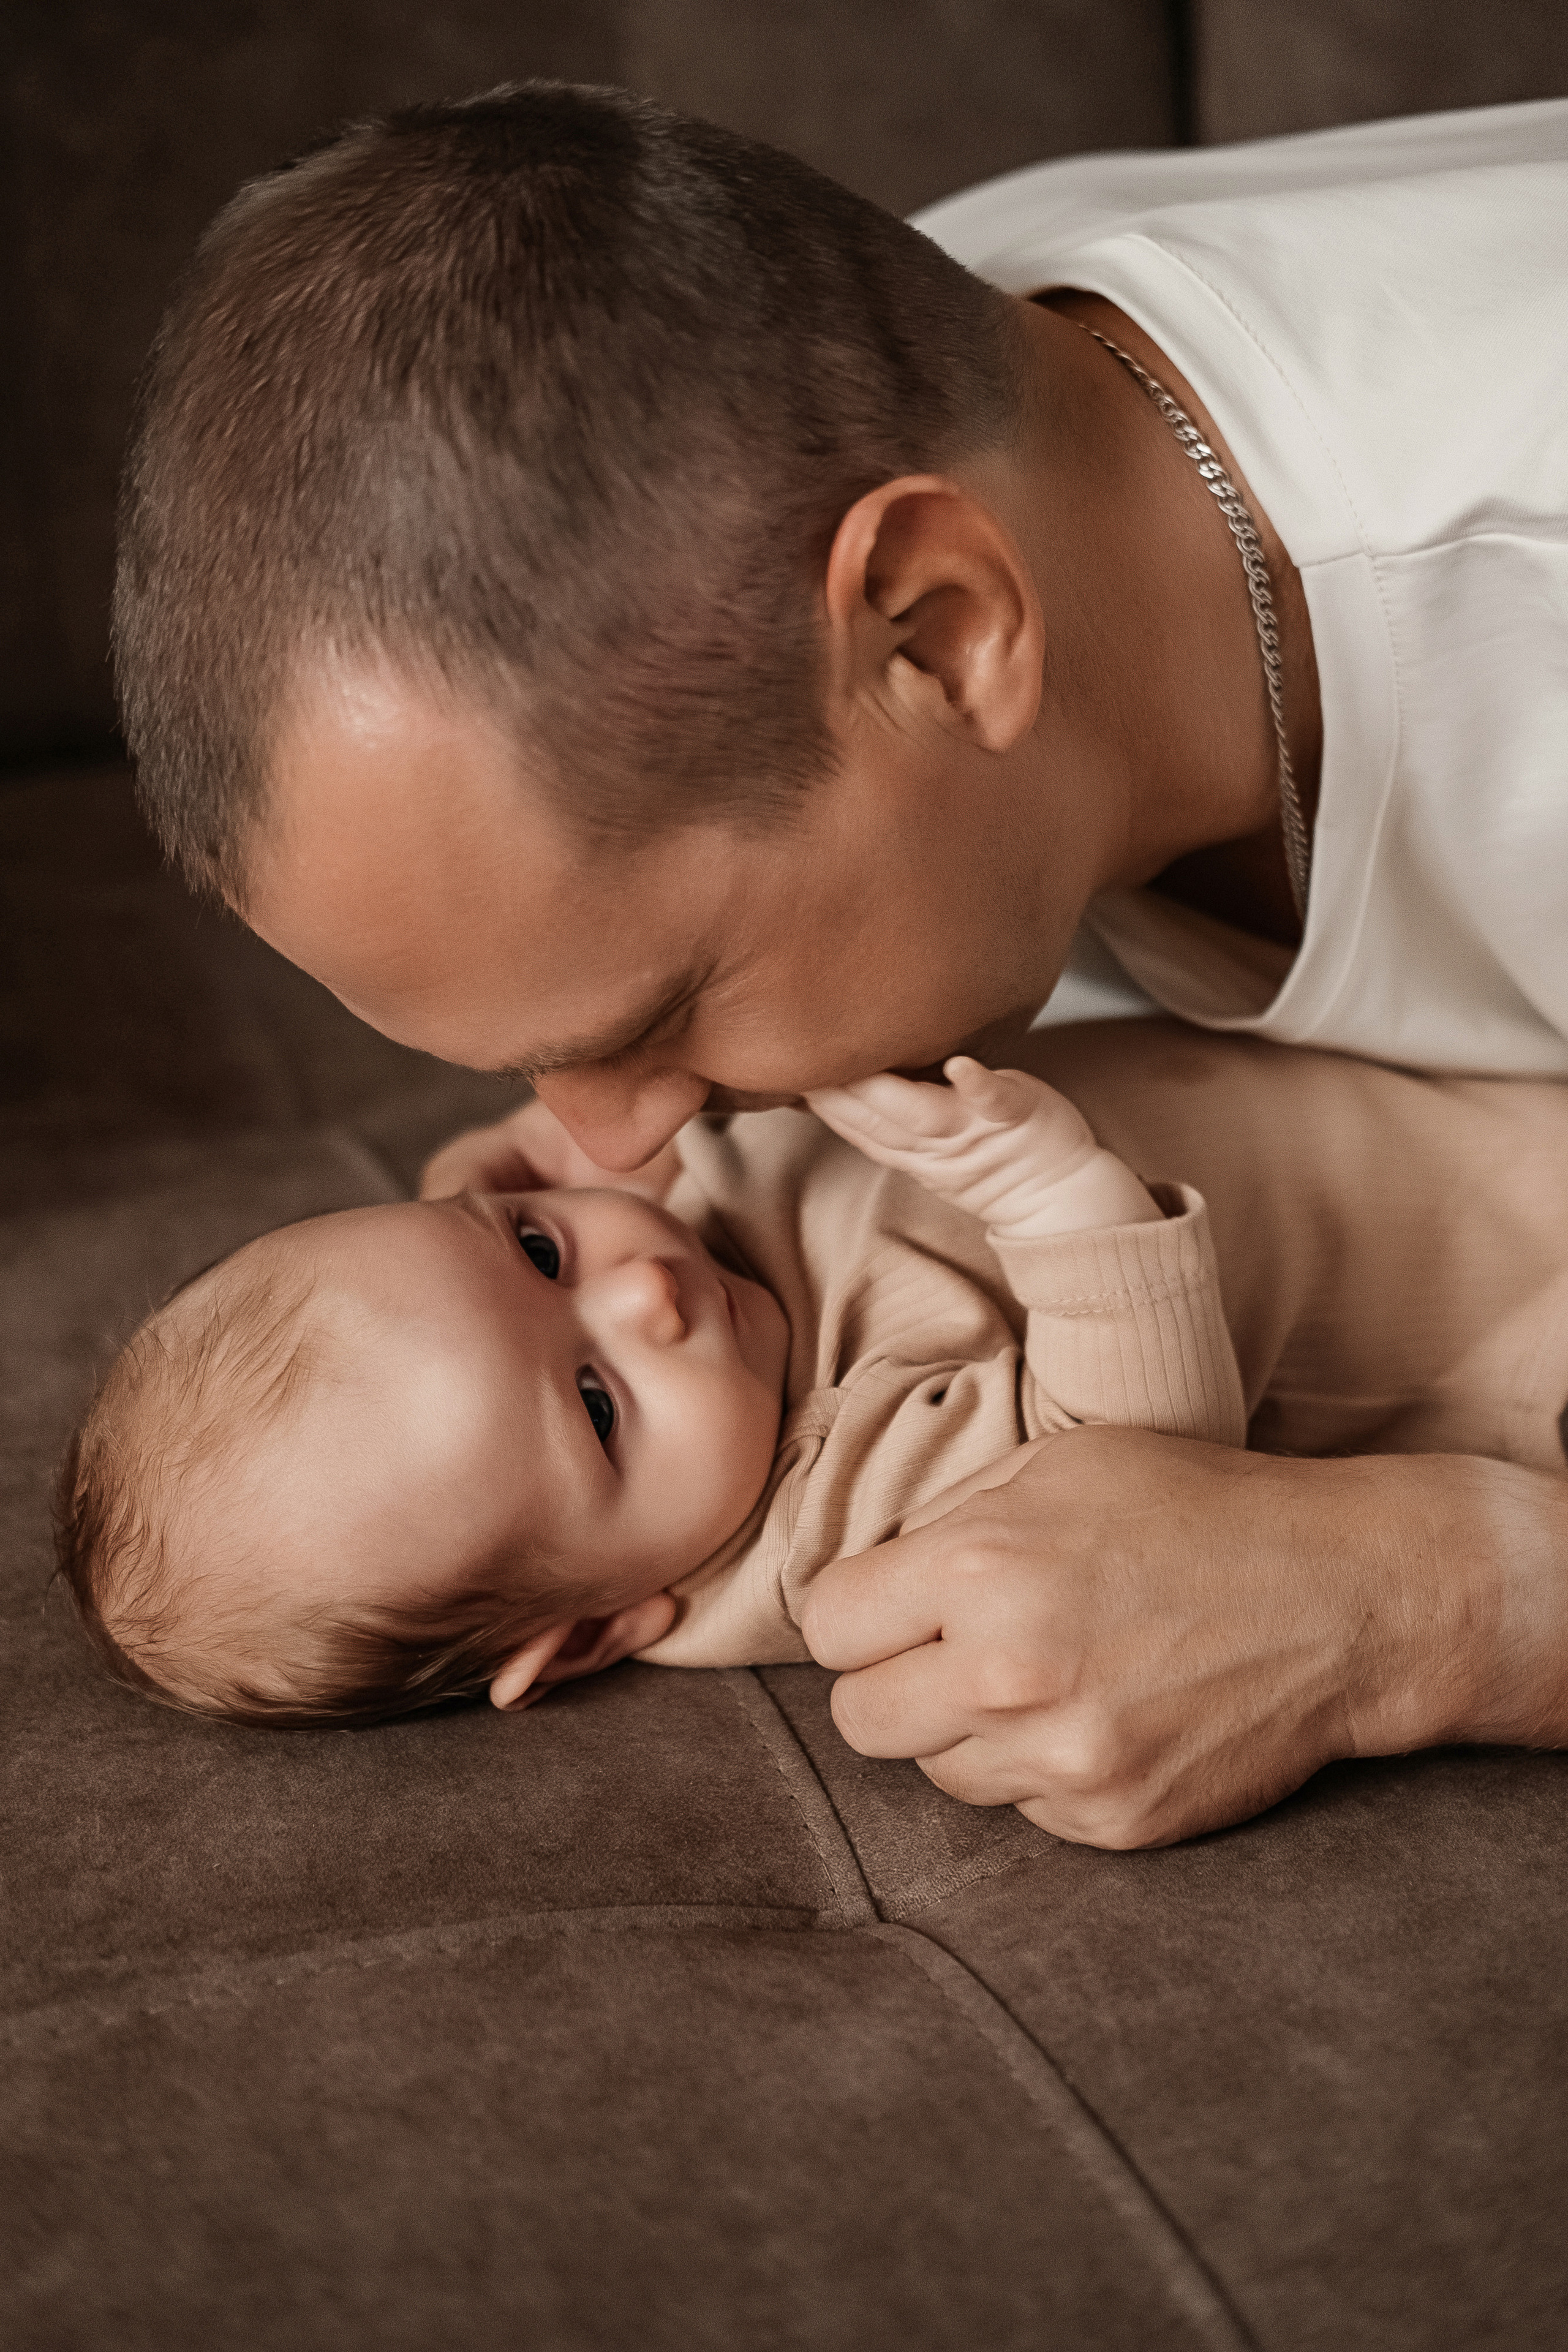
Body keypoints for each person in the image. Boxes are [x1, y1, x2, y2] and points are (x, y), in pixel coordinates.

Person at [109, 83, 1568, 1844]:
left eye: (648, 1016)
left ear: (944, 638)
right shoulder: (933, 370)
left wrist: (1448, 1608)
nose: (621, 1152)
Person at [56, 1054, 1240, 1728]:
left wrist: (575, 1134)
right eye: (599, 1407)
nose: (646, 1295)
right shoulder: (840, 1517)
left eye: (532, 1250)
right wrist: (1052, 1198)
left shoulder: (674, 1233)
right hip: (1422, 1254)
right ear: (590, 1635)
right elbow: (1142, 1511)